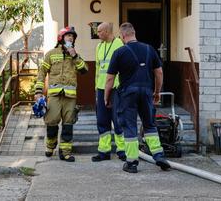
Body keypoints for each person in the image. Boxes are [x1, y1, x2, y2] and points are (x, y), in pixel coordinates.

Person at [104, 22, 170, 173]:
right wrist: (157, 92)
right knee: (149, 124)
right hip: (146, 92)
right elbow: (159, 73)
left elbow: (109, 79)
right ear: (134, 33)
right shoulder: (149, 49)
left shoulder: (119, 52)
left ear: (122, 36)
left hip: (127, 94)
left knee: (129, 127)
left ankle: (132, 162)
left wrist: (107, 97)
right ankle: (159, 155)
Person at [35, 26, 88, 162]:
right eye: (68, 36)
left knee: (68, 124)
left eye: (72, 36)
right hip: (54, 95)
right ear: (61, 38)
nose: (71, 38)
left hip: (70, 97)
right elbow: (41, 73)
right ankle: (50, 145)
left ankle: (65, 152)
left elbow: (84, 70)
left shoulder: (75, 55)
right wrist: (39, 91)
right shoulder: (51, 54)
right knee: (51, 122)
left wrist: (74, 56)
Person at [91, 22, 126, 162]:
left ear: (106, 31)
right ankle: (104, 151)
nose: (97, 34)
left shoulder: (119, 44)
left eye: (99, 32)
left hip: (116, 88)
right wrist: (96, 89)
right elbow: (98, 70)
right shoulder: (99, 46)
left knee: (118, 120)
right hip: (101, 88)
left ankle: (122, 150)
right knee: (102, 120)